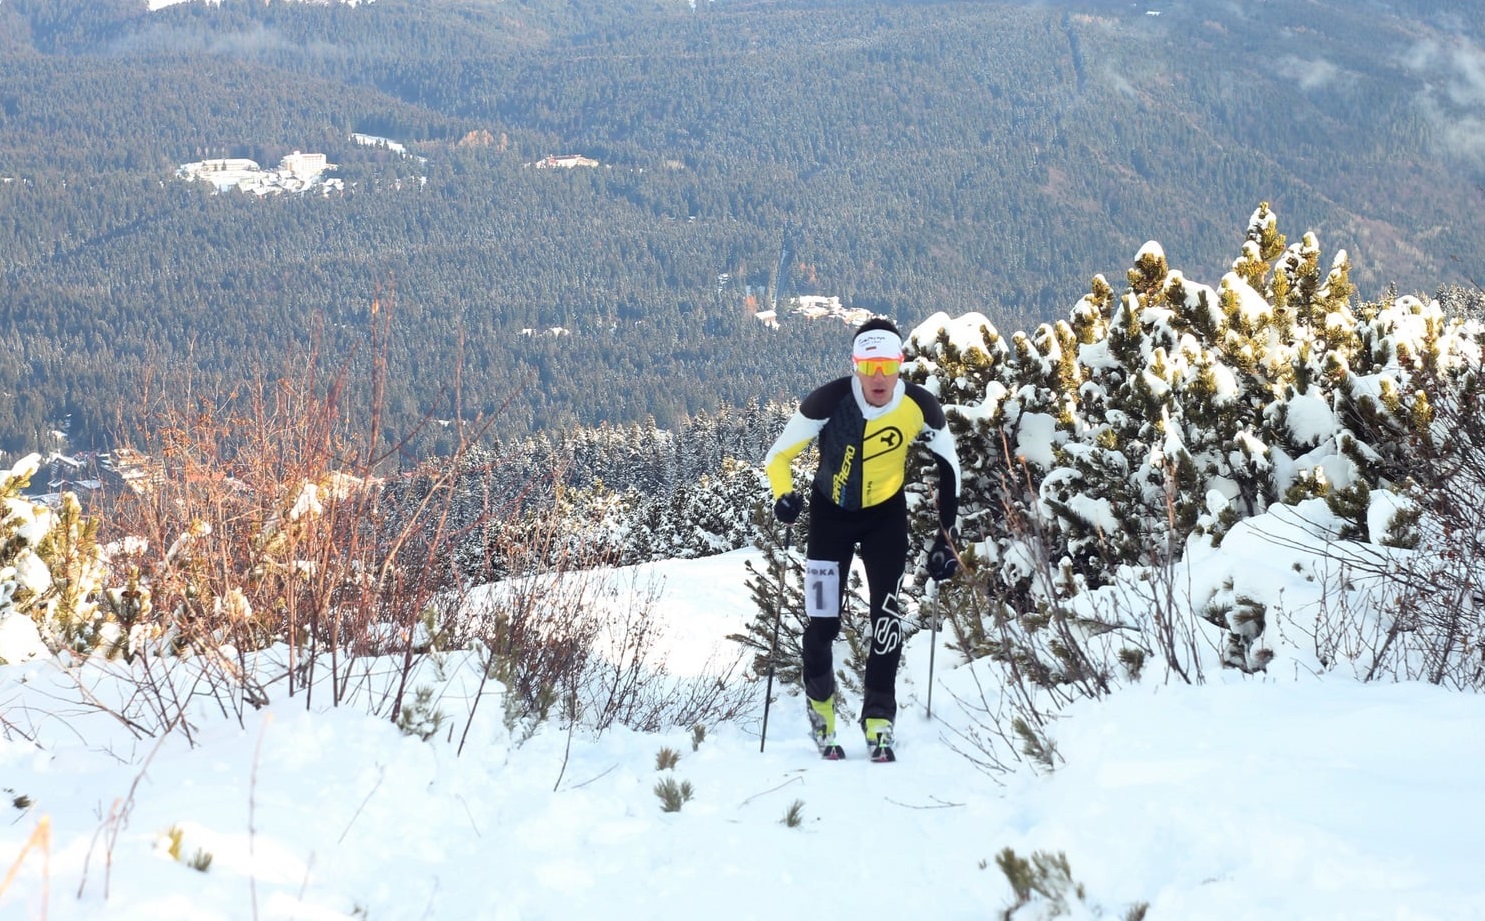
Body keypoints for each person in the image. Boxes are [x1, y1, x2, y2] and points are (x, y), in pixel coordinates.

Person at [763, 316, 961, 761]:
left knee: (886, 622)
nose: (877, 376)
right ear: (854, 364)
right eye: (868, 365)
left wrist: (947, 538)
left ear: (900, 364)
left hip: (885, 520)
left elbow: (950, 468)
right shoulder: (828, 401)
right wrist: (783, 496)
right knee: (822, 625)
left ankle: (878, 719)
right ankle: (821, 712)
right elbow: (778, 457)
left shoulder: (920, 406)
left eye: (887, 365)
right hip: (829, 519)